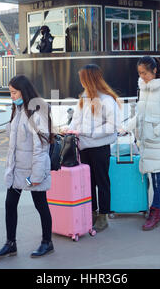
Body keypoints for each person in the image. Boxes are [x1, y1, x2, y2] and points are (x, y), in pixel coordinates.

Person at [0, 75, 55, 258]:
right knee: (10, 204)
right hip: (17, 169)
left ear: (24, 91)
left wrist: (36, 176)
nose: (11, 96)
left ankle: (47, 242)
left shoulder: (37, 112)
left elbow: (41, 147)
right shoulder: (18, 109)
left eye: (14, 92)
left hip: (32, 171)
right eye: (10, 93)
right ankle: (10, 243)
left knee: (40, 204)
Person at [63, 64, 121, 232]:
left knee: (102, 181)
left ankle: (103, 215)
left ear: (89, 79)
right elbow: (75, 120)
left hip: (99, 147)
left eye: (82, 79)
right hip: (83, 146)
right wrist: (70, 129)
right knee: (88, 182)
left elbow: (113, 125)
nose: (81, 82)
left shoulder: (107, 100)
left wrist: (89, 132)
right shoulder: (83, 98)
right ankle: (92, 212)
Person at [126, 56, 160, 230]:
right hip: (146, 141)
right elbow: (140, 116)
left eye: (145, 73)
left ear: (154, 70)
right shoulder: (142, 90)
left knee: (158, 178)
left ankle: (155, 211)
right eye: (139, 73)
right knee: (152, 175)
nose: (142, 76)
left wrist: (155, 132)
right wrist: (126, 127)